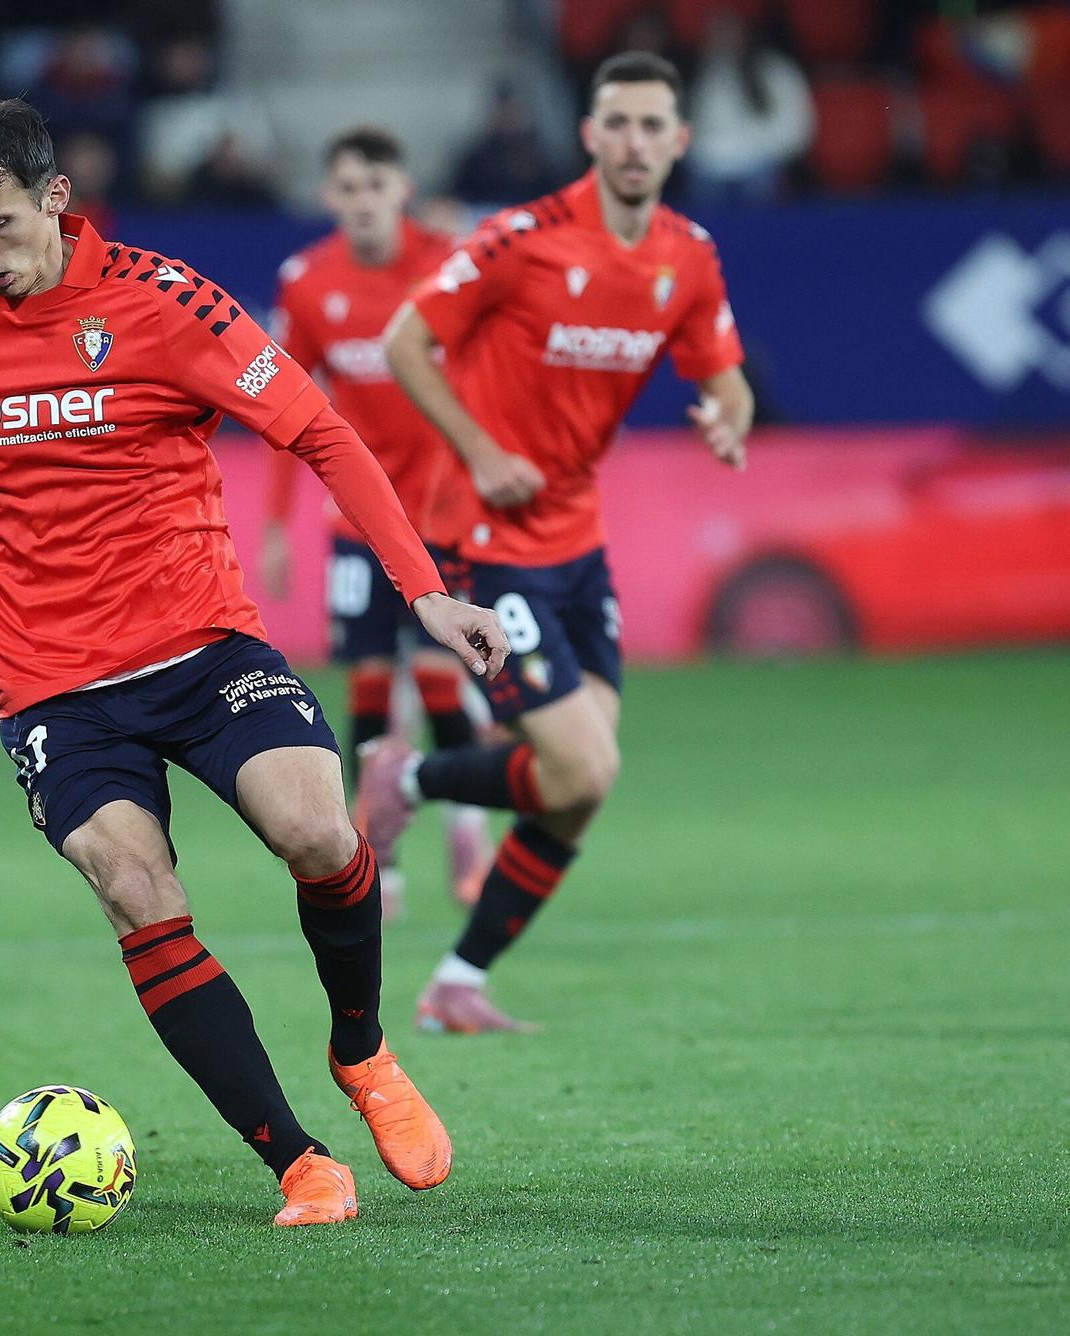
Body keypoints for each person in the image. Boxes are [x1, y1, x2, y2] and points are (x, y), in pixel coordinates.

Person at [0, 97, 509, 1227]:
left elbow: (321, 431)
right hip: (50, 687)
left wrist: (422, 593)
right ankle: (297, 1160)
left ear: (54, 198)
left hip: (200, 645)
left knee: (317, 832)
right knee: (138, 895)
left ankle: (363, 1051)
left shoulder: (165, 301)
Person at [365, 52, 752, 1033]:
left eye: (650, 125)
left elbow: (722, 369)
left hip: (576, 542)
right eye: (615, 123)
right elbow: (408, 338)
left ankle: (454, 974)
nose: (633, 142)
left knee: (575, 789)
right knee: (584, 770)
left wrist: (727, 416)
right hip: (486, 536)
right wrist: (479, 449)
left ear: (678, 140)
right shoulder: (521, 238)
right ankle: (406, 782)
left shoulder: (686, 254)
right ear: (588, 134)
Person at [264, 125, 492, 918]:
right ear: (331, 197)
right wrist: (276, 527)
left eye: (376, 186)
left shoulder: (447, 266)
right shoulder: (306, 282)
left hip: (444, 512)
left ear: (403, 189)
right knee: (367, 684)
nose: (363, 203)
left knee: (438, 677)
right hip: (357, 520)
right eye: (348, 189)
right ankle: (381, 862)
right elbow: (282, 409)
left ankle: (467, 827)